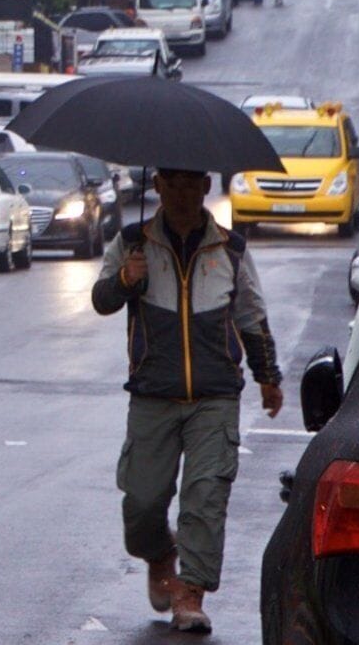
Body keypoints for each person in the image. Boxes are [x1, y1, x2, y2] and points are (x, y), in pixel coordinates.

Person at [89, 167, 280, 632]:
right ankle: (160, 552)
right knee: (142, 502)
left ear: (205, 188)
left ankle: (190, 593)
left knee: (206, 495)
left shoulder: (230, 248)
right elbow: (101, 299)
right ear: (157, 187)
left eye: (190, 185)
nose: (180, 194)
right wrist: (126, 280)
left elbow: (251, 315)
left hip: (215, 396)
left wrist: (267, 376)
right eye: (171, 185)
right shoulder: (132, 242)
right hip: (153, 394)